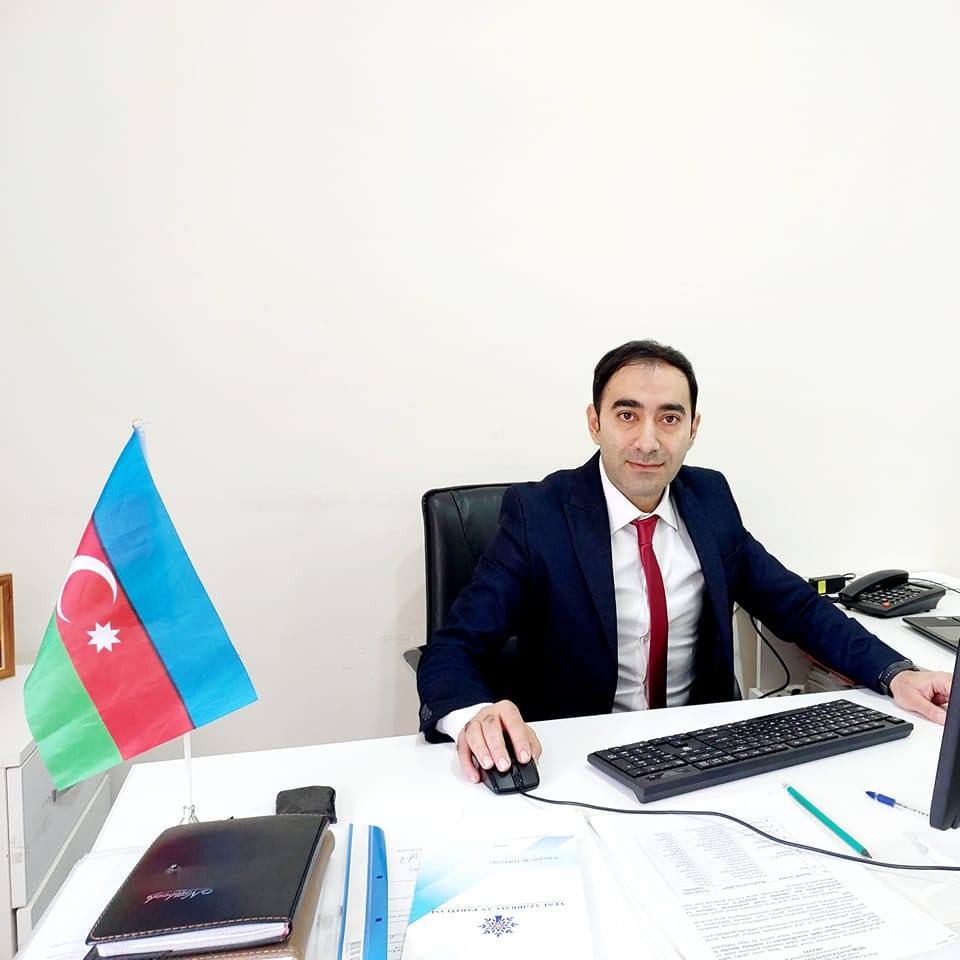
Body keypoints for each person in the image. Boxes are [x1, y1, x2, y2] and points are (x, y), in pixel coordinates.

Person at [416, 340, 952, 784]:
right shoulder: (539, 515)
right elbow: (453, 648)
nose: (648, 441)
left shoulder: (709, 500)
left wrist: (896, 673)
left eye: (669, 418)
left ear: (693, 428)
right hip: (579, 761)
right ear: (594, 423)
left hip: (703, 752)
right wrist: (474, 716)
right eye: (627, 415)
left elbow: (796, 605)